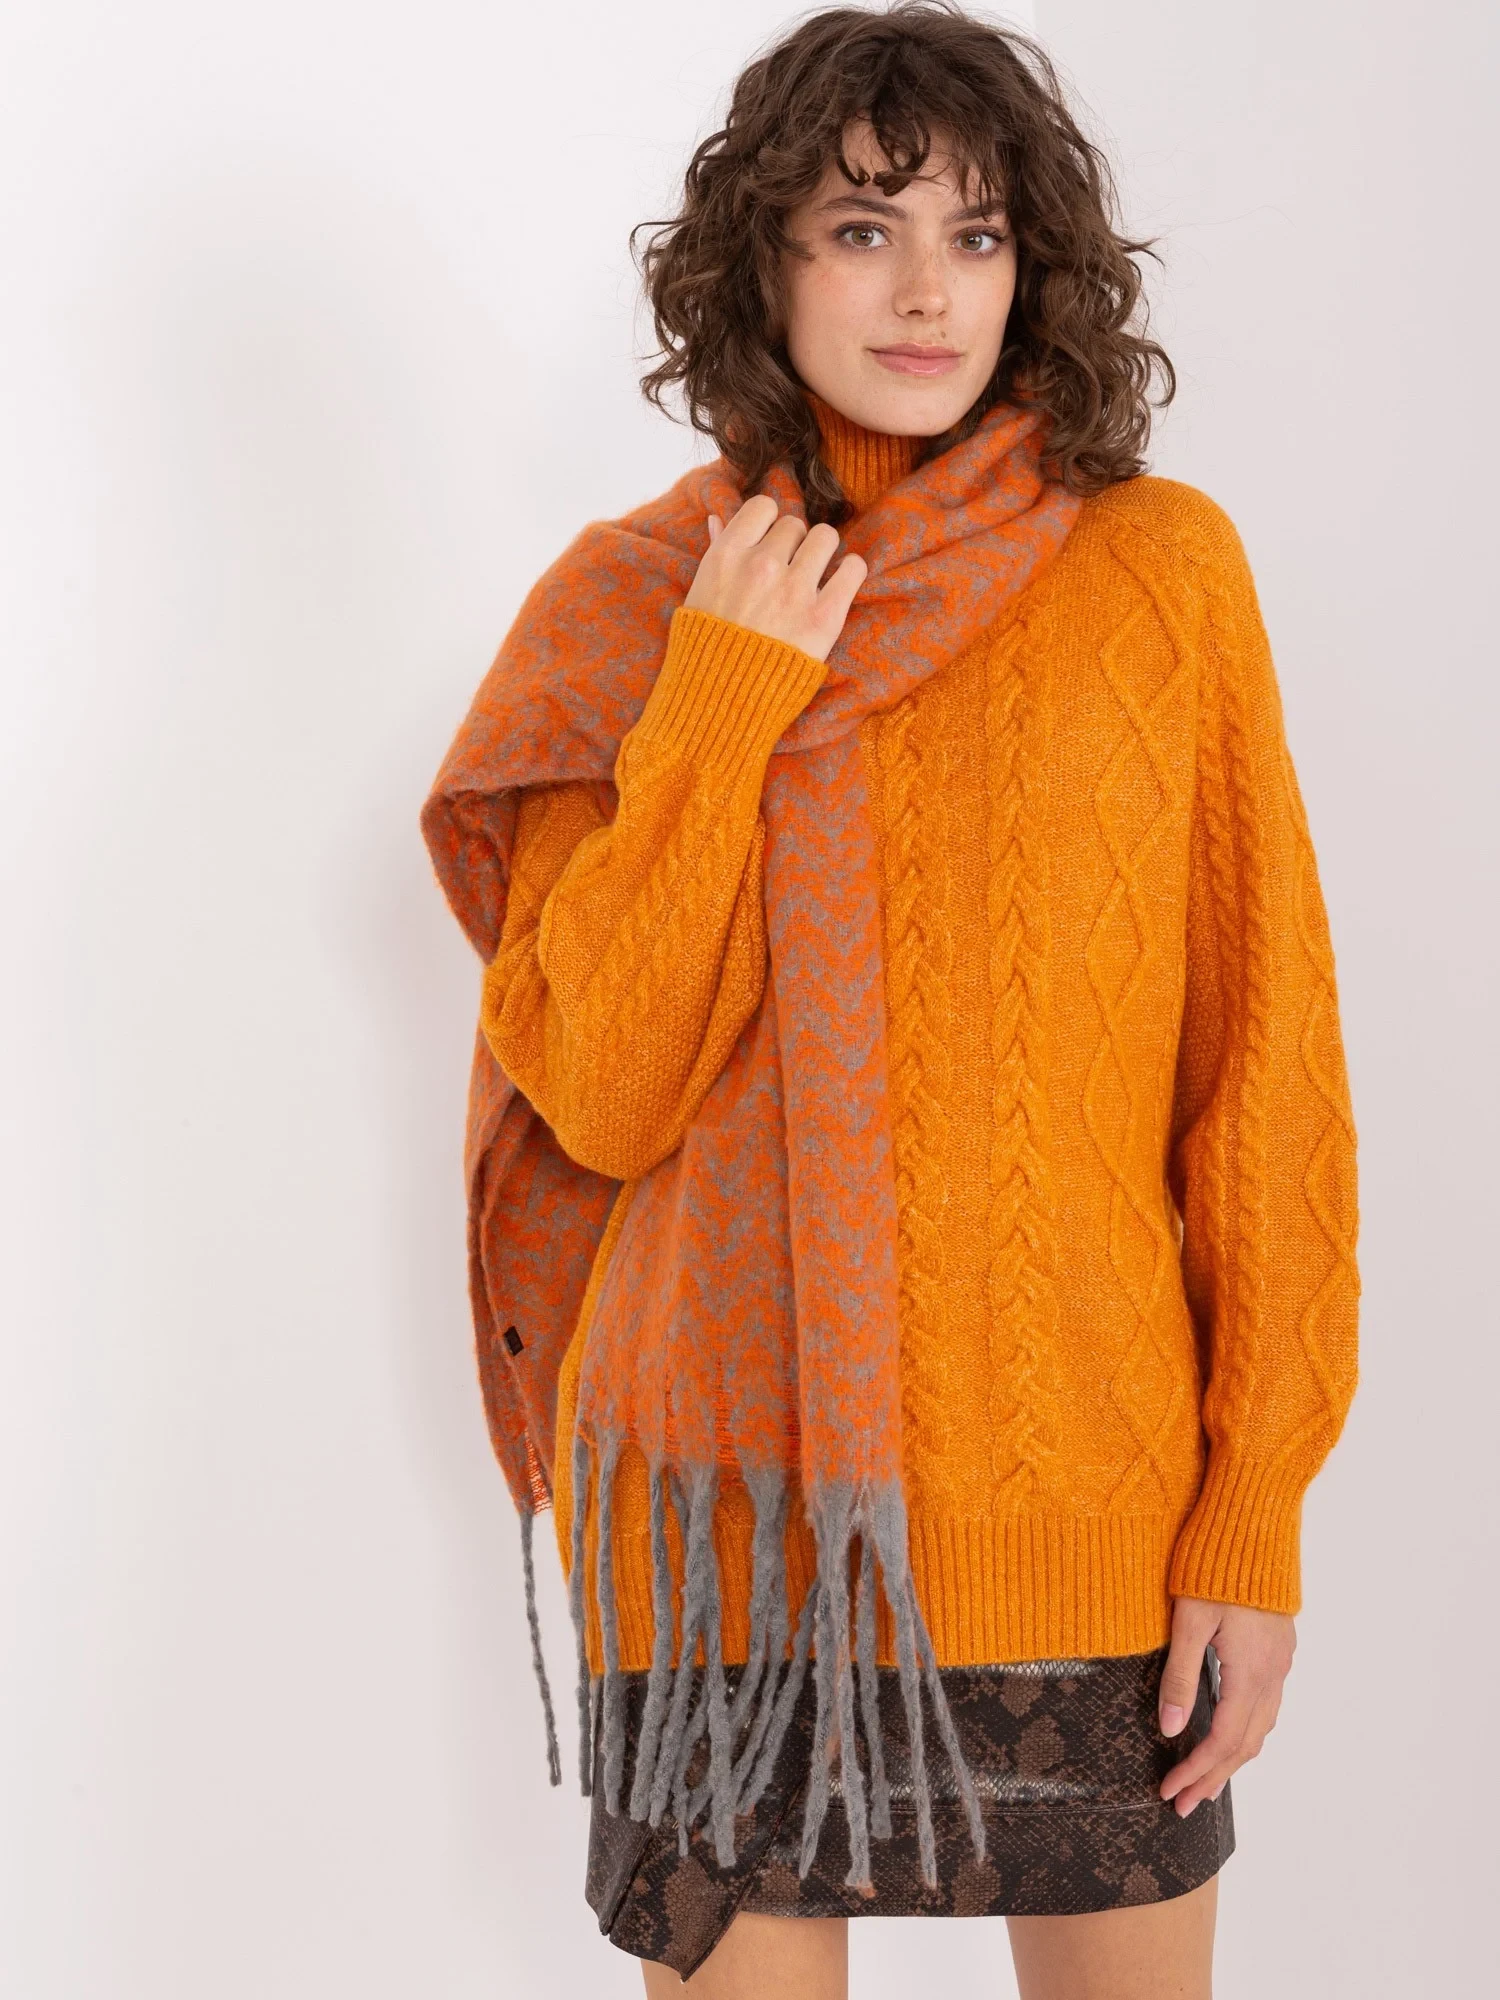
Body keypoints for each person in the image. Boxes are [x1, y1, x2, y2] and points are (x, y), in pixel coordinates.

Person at [420, 5, 1360, 1996]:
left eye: (978, 233)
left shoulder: (1160, 574)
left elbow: (1264, 1072)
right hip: (730, 1557)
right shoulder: (637, 605)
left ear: (1037, 270)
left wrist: (1252, 1521)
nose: (930, 289)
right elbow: (602, 1088)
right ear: (761, 261)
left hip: (1086, 1513)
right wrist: (723, 694)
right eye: (863, 228)